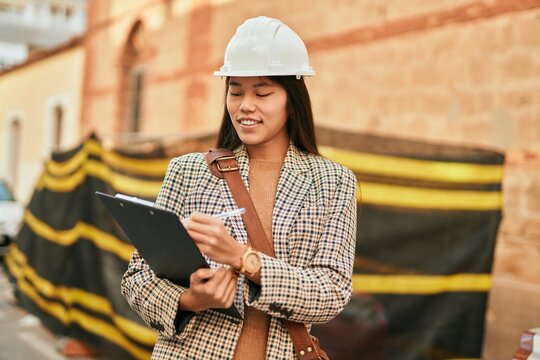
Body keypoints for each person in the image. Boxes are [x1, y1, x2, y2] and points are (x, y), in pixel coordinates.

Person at [121, 16, 357, 359]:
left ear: (292, 98)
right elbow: (137, 278)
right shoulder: (188, 171)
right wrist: (190, 300)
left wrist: (243, 259)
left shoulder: (332, 182)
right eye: (235, 91)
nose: (246, 105)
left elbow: (332, 293)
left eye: (262, 92)